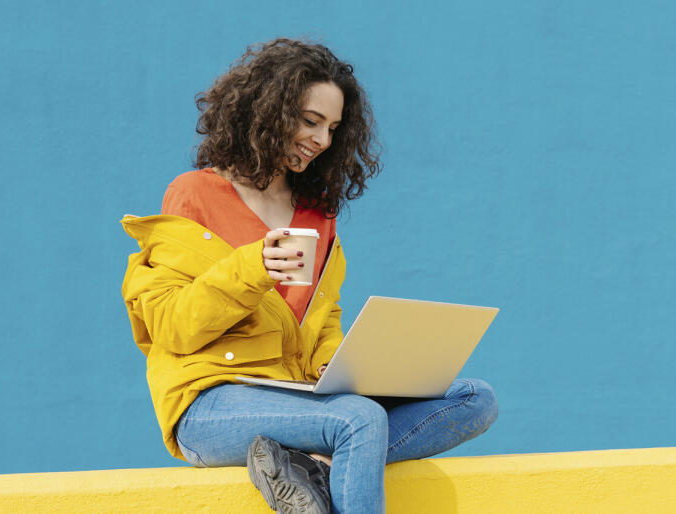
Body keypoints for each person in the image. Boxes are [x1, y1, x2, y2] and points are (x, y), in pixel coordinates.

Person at [120, 38, 498, 513]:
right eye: (310, 120)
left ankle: (313, 464)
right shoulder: (194, 194)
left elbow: (323, 317)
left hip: (298, 398)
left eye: (333, 128)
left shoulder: (316, 215)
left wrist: (332, 365)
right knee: (357, 420)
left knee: (474, 398)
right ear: (266, 110)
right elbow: (172, 325)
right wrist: (253, 267)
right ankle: (328, 452)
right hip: (210, 403)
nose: (322, 140)